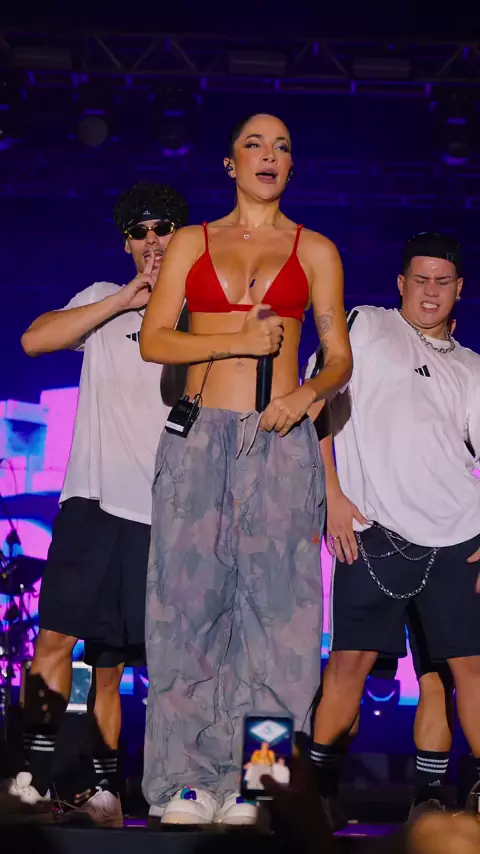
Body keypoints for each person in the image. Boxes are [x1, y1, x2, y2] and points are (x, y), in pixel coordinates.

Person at [139, 112, 352, 825]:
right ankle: (186, 781)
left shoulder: (315, 249)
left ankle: (260, 781)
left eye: (282, 146)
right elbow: (155, 341)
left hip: (278, 441)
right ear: (230, 163)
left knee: (280, 623)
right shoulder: (191, 242)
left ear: (291, 166)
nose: (269, 155)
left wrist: (305, 395)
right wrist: (237, 335)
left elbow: (339, 356)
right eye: (254, 144)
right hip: (199, 438)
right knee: (186, 614)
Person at [6, 182, 189, 826]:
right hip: (94, 502)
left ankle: (127, 791)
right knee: (55, 640)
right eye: (140, 232)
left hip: (167, 514)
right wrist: (123, 300)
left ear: (184, 237)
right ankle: (32, 779)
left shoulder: (203, 312)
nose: (152, 241)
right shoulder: (101, 298)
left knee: (127, 667)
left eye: (163, 229)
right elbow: (33, 341)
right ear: (126, 244)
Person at [305, 232, 480, 818]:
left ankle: (440, 801)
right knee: (347, 667)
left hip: (458, 537)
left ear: (459, 288)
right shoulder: (367, 325)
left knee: (459, 674)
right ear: (401, 283)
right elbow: (316, 403)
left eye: (443, 281)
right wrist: (330, 493)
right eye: (420, 279)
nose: (431, 291)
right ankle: (317, 796)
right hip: (372, 531)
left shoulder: (472, 368)